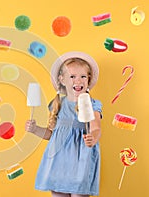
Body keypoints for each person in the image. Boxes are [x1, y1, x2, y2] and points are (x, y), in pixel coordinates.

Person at [25, 51, 102, 197]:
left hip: (81, 159)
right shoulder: (58, 104)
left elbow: (96, 127)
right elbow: (51, 134)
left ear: (88, 79)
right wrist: (35, 129)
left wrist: (93, 137)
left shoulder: (91, 105)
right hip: (58, 160)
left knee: (79, 194)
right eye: (72, 76)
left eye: (83, 76)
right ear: (62, 79)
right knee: (58, 193)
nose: (78, 81)